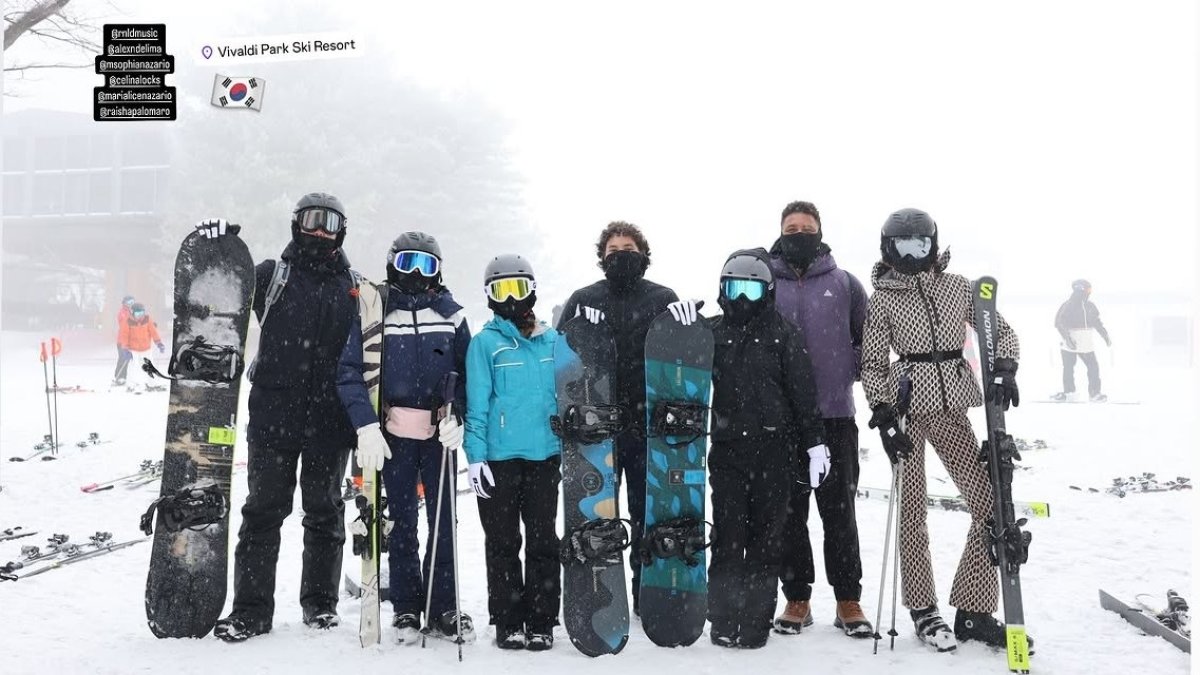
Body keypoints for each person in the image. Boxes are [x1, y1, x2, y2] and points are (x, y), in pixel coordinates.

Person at [860, 207, 1029, 653]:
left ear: (933, 245)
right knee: (912, 512)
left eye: (920, 244)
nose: (913, 254)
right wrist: (881, 412)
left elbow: (1000, 330)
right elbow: (874, 363)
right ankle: (923, 607)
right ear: (888, 248)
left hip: (953, 407)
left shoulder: (959, 288)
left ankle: (972, 609)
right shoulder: (883, 298)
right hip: (908, 410)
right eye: (902, 246)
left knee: (989, 503)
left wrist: (1005, 365)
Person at [211, 195, 362, 642]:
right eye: (312, 221)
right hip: (274, 417)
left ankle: (320, 606)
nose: (320, 230)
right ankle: (252, 612)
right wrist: (217, 246)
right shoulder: (271, 276)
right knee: (263, 513)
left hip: (330, 423)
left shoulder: (355, 287)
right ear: (297, 224)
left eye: (330, 222)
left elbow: (375, 350)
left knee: (324, 513)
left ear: (341, 230)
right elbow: (224, 290)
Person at [336, 231, 474, 645]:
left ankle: (443, 604)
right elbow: (349, 372)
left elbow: (471, 376)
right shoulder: (374, 314)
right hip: (392, 434)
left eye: (427, 264)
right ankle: (408, 605)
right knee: (399, 521)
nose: (416, 273)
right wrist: (365, 425)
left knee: (444, 519)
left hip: (438, 435)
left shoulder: (452, 315)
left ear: (439, 270)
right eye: (408, 262)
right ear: (392, 263)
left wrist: (459, 416)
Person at [556, 221, 691, 614]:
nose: (621, 254)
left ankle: (647, 587)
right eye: (613, 249)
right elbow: (563, 361)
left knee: (651, 511)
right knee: (597, 512)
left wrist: (685, 324)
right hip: (597, 428)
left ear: (643, 254)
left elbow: (684, 357)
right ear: (602, 257)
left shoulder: (662, 297)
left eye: (628, 248)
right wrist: (579, 331)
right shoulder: (584, 299)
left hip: (649, 426)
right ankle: (597, 592)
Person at [702, 248, 826, 649]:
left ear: (768, 292)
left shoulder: (784, 334)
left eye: (751, 291)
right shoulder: (714, 332)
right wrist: (677, 324)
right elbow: (677, 365)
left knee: (765, 539)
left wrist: (815, 444)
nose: (742, 300)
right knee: (727, 536)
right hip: (727, 453)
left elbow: (804, 394)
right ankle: (722, 618)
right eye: (734, 289)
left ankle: (755, 619)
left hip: (774, 452)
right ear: (722, 290)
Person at [767, 201, 873, 638]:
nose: (799, 233)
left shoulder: (845, 283)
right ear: (780, 232)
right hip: (781, 421)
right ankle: (798, 597)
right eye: (791, 228)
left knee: (840, 514)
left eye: (806, 227)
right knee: (789, 515)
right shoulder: (763, 281)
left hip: (834, 416)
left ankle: (848, 598)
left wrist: (881, 397)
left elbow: (867, 345)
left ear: (820, 232)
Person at [464, 254, 561, 651]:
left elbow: (572, 391)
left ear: (532, 291)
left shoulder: (553, 340)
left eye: (517, 288)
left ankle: (541, 620)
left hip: (544, 456)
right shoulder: (484, 344)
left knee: (542, 541)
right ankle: (508, 621)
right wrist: (475, 457)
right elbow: (477, 405)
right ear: (488, 297)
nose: (510, 299)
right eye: (500, 290)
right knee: (503, 542)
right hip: (500, 460)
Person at [1053, 279, 1111, 402]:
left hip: (1086, 343)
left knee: (1093, 367)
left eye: (1090, 290)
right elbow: (1058, 322)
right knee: (1068, 368)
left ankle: (1094, 393)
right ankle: (1069, 392)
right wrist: (1067, 338)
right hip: (1070, 343)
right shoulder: (1068, 305)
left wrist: (1105, 335)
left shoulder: (1090, 306)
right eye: (1088, 289)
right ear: (1080, 289)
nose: (1089, 292)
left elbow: (1097, 322)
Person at [115, 302, 166, 388]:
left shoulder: (147, 319)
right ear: (132, 312)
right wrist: (125, 349)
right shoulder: (127, 321)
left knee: (149, 366)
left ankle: (152, 384)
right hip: (133, 350)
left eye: (142, 313)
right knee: (132, 367)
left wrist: (159, 343)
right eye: (138, 313)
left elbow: (153, 332)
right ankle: (131, 385)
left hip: (146, 349)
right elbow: (124, 336)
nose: (140, 316)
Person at [111, 295, 136, 386]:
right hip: (122, 341)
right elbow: (125, 323)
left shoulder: (131, 312)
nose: (130, 304)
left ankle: (123, 377)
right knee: (122, 358)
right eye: (129, 302)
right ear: (124, 303)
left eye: (132, 302)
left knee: (127, 359)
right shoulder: (123, 312)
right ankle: (118, 377)